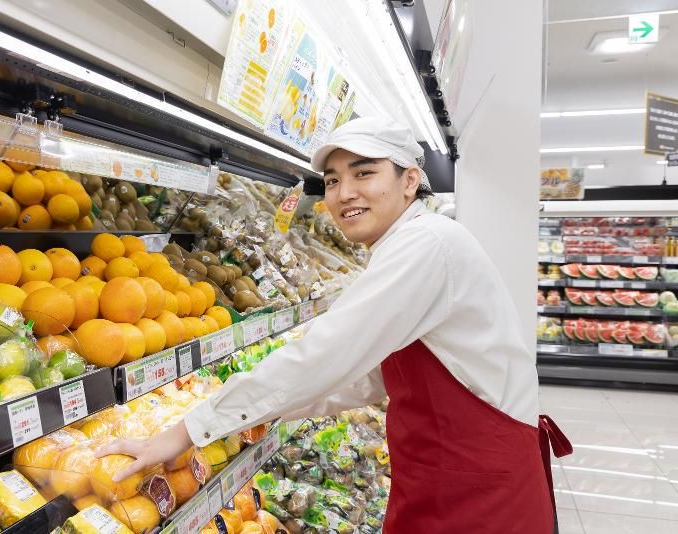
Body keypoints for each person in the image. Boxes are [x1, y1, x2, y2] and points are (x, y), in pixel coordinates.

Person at [96, 117, 571, 533]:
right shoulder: (410, 243)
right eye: (332, 180)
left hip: (478, 489)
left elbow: (327, 353)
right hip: (450, 472)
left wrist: (189, 429)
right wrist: (261, 411)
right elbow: (371, 376)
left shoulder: (427, 244)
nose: (345, 193)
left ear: (410, 180)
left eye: (364, 173)